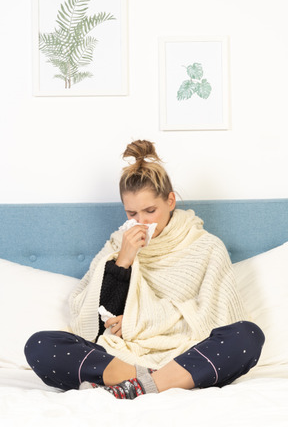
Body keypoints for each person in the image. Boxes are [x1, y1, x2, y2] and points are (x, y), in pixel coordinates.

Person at [25, 140, 265, 399]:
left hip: (185, 354)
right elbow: (94, 327)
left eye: (150, 210)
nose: (142, 222)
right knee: (40, 345)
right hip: (124, 357)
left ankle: (135, 386)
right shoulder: (118, 246)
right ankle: (152, 381)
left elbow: (216, 319)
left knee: (248, 335)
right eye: (132, 214)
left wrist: (136, 323)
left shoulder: (206, 247)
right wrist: (124, 260)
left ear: (171, 201)